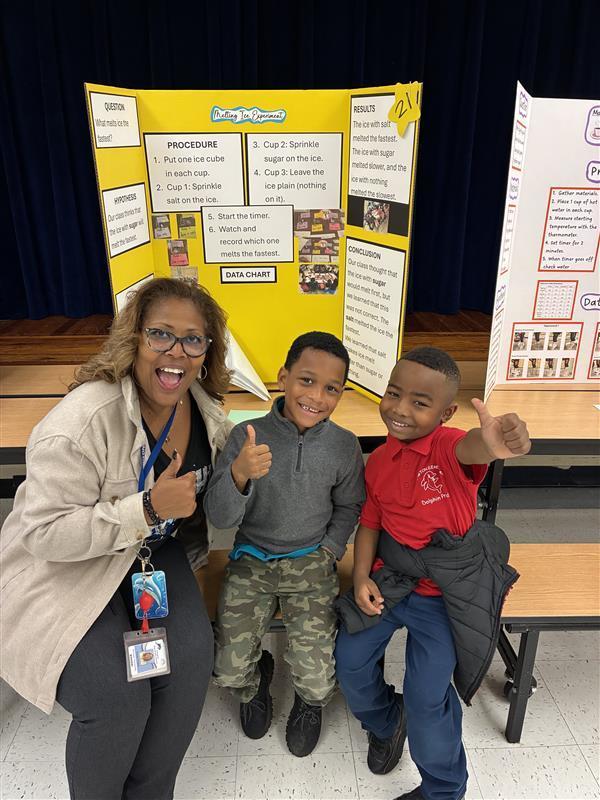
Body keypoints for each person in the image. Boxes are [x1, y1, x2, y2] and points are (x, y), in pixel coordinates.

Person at [0, 278, 233, 799]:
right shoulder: (82, 421)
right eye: (161, 335)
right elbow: (42, 534)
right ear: (134, 338)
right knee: (115, 693)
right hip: (65, 565)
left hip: (146, 555)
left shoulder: (204, 407)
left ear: (207, 350)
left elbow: (208, 496)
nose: (177, 352)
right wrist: (148, 507)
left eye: (193, 340)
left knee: (192, 659)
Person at [334, 347, 530, 800]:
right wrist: (361, 577)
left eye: (420, 403)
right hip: (392, 581)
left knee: (427, 698)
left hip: (446, 596)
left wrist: (497, 443)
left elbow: (475, 446)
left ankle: (443, 790)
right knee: (349, 663)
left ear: (446, 413)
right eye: (393, 394)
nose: (400, 409)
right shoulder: (379, 460)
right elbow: (371, 522)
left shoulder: (449, 447)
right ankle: (387, 721)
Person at [204, 331, 365, 757]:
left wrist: (329, 549)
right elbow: (220, 517)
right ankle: (256, 680)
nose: (316, 396)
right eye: (306, 381)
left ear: (341, 393)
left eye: (332, 388)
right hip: (251, 559)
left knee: (318, 680)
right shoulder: (247, 434)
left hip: (311, 562)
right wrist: (238, 473)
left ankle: (309, 705)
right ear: (283, 377)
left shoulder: (344, 446)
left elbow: (350, 507)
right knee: (227, 670)